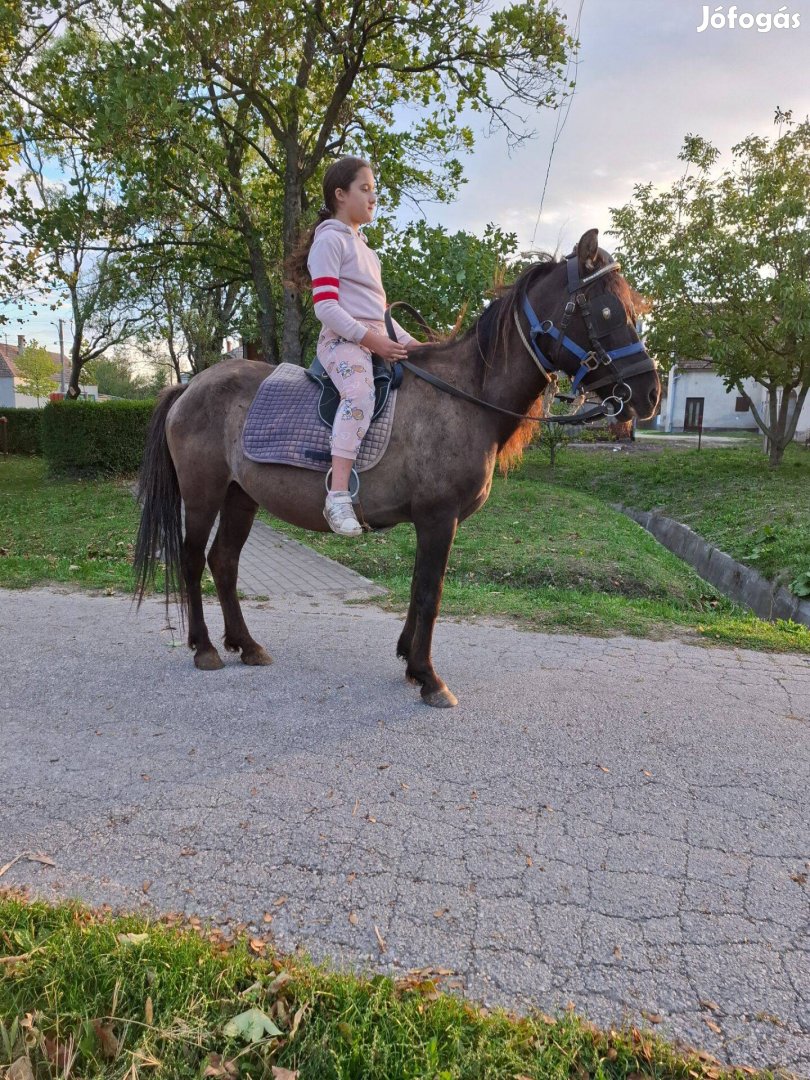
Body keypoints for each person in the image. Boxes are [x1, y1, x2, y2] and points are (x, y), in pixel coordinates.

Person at [286, 156, 426, 536]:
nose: (373, 197)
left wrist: (414, 345)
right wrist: (372, 341)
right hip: (342, 341)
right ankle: (337, 496)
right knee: (360, 393)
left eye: (374, 190)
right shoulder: (329, 240)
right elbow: (326, 307)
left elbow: (379, 313)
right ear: (339, 194)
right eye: (364, 189)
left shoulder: (368, 251)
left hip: (372, 336)